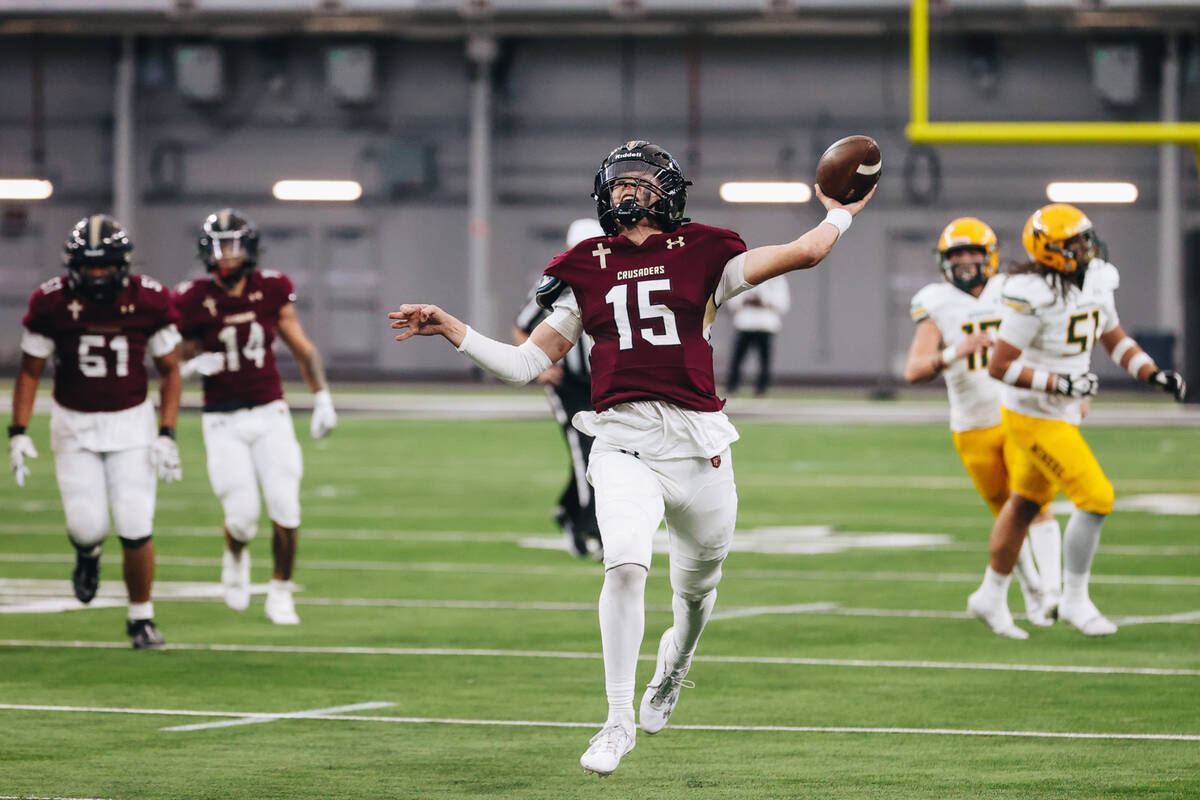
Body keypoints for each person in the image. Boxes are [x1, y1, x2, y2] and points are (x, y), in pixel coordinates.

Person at [388, 140, 873, 775]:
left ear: (668, 192)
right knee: (623, 565)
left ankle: (674, 668)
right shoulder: (584, 265)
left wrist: (841, 211)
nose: (629, 191)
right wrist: (455, 328)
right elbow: (527, 363)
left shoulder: (704, 251)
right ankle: (616, 721)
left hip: (699, 447)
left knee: (697, 593)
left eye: (643, 182)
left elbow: (805, 253)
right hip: (621, 441)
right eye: (620, 182)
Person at [968, 203, 1187, 638]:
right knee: (1096, 497)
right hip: (1031, 415)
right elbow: (999, 366)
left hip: (1063, 414)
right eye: (1074, 242)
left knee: (1024, 506)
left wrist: (1150, 373)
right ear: (1048, 250)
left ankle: (990, 595)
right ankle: (1074, 600)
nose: (1085, 248)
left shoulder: (1097, 280)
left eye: (1086, 238)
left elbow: (1113, 336)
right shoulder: (1033, 295)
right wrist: (1059, 384)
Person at [8, 214, 182, 649]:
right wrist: (18, 430)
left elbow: (171, 371)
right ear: (73, 265)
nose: (97, 273)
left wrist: (166, 432)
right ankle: (88, 555)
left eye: (105, 264)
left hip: (132, 420)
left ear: (122, 264)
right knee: (87, 527)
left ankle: (140, 616)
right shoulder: (50, 302)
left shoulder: (152, 300)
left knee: (136, 523)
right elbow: (30, 372)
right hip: (74, 423)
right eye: (89, 265)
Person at [175, 209, 338, 626]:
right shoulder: (192, 297)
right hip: (221, 419)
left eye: (232, 244)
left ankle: (280, 591)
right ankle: (235, 554)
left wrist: (322, 398)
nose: (226, 254)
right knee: (242, 517)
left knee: (286, 507)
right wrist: (191, 364)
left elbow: (302, 346)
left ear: (248, 248)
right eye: (218, 245)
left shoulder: (271, 288)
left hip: (270, 411)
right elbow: (171, 357)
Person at [903, 217, 1060, 635]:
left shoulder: (1012, 290)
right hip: (971, 424)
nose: (966, 262)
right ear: (943, 261)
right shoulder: (936, 301)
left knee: (1032, 504)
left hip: (1016, 413)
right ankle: (1028, 594)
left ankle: (1054, 592)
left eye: (973, 253)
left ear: (989, 256)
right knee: (1005, 517)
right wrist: (955, 351)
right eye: (957, 254)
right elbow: (914, 369)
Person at [512, 218, 606, 559]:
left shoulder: (619, 274)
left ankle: (569, 513)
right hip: (569, 382)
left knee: (603, 451)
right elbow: (521, 326)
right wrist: (542, 365)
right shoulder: (555, 282)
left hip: (605, 381)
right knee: (585, 449)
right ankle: (591, 528)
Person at [724, 275, 790, 396]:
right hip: (745, 324)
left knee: (764, 360)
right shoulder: (745, 274)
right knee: (737, 358)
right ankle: (732, 385)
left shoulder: (777, 278)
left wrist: (764, 301)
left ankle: (762, 388)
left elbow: (783, 303)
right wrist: (745, 300)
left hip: (766, 325)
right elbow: (732, 299)